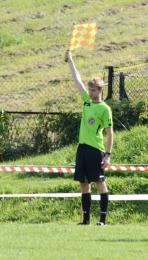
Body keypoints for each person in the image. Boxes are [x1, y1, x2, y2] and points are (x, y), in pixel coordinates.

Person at [65, 51, 113, 226]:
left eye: (93, 90)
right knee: (84, 184)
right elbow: (77, 79)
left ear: (100, 90)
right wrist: (70, 60)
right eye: (89, 89)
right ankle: (85, 220)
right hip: (82, 148)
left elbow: (110, 132)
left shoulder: (104, 109)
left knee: (100, 183)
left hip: (96, 150)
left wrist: (107, 154)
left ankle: (102, 220)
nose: (90, 92)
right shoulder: (86, 101)